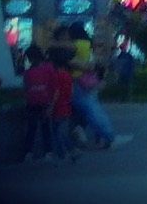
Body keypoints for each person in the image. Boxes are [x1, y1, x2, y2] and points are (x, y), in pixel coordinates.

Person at [67, 21, 131, 150]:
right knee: (91, 109)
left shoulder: (73, 45)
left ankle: (107, 137)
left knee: (89, 111)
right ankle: (104, 138)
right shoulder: (86, 44)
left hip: (76, 80)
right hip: (86, 79)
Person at [21, 45, 56, 162]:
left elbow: (53, 86)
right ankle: (38, 152)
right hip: (36, 102)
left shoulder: (32, 71)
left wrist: (51, 104)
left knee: (39, 128)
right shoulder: (43, 69)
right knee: (37, 128)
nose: (30, 60)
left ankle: (37, 152)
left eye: (31, 57)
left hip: (41, 102)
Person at [49, 49, 81, 163]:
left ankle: (70, 150)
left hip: (58, 107)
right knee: (61, 131)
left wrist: (51, 107)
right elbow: (71, 91)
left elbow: (56, 92)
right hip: (66, 105)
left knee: (58, 133)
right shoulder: (68, 74)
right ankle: (66, 153)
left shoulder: (57, 75)